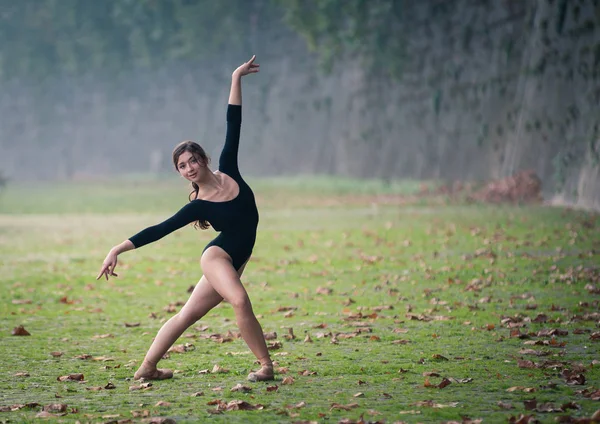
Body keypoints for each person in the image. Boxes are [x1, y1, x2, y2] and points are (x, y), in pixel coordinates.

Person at [96, 55, 274, 382]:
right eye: (182, 166)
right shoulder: (198, 206)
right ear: (180, 173)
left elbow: (233, 122)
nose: (189, 167)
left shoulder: (229, 168)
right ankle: (266, 366)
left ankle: (147, 368)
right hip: (218, 258)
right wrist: (116, 249)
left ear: (204, 159)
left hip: (238, 259)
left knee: (187, 315)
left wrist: (236, 76)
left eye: (193, 160)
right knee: (238, 298)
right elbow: (158, 230)